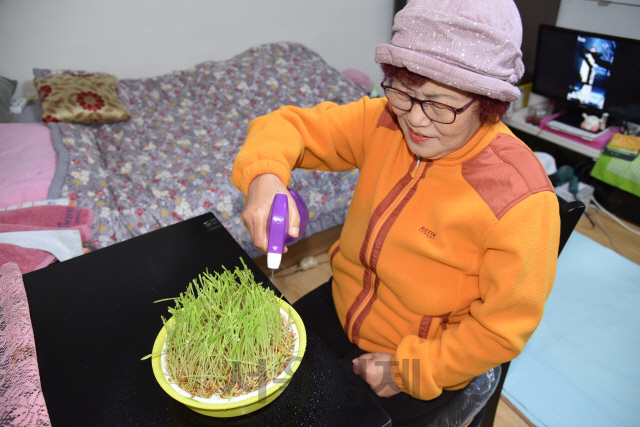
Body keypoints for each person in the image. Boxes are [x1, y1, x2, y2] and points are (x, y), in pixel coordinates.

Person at [232, 0, 560, 424]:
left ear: (488, 103)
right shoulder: (384, 121)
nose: (416, 121)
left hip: (425, 356)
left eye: (441, 105)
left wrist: (410, 371)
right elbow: (286, 126)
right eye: (404, 93)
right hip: (341, 304)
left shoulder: (521, 201)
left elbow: (502, 328)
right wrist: (265, 179)